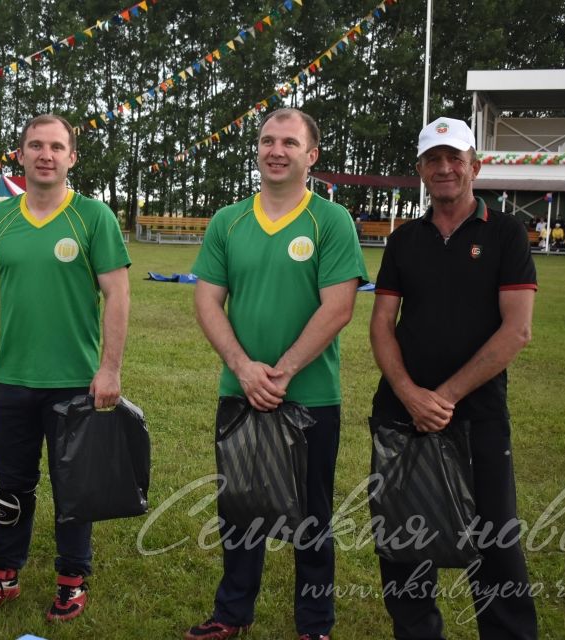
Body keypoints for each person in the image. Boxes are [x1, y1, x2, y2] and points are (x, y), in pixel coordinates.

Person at [186, 108, 368, 640]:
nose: (276, 150)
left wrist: (282, 372)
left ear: (311, 155)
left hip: (309, 395)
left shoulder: (330, 221)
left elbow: (338, 307)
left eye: (290, 142)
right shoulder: (228, 220)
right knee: (239, 511)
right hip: (238, 391)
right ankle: (231, 615)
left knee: (312, 517)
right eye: (267, 140)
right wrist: (244, 368)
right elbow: (208, 301)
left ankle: (314, 625)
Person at [0, 114, 131, 622]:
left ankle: (72, 581)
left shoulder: (94, 217)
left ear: (71, 157)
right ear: (21, 154)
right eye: (36, 145)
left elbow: (117, 293)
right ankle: (3, 575)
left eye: (56, 146)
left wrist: (110, 369)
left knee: (74, 489)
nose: (46, 154)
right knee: (11, 485)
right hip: (12, 381)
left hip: (76, 382)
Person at [369, 117, 538, 639]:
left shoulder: (506, 232)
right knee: (403, 539)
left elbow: (517, 331)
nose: (444, 168)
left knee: (495, 542)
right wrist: (408, 394)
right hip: (402, 415)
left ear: (475, 165)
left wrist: (442, 397)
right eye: (433, 160)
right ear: (420, 169)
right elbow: (381, 325)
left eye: (454, 158)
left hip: (477, 415)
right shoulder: (403, 240)